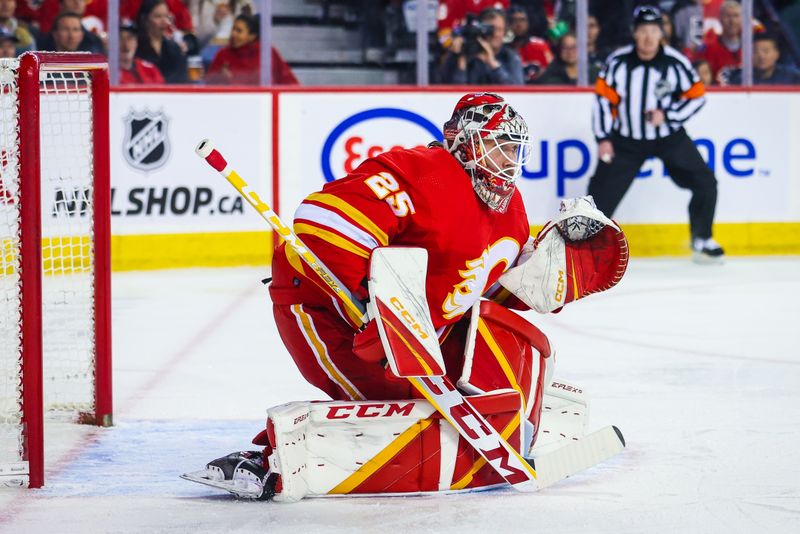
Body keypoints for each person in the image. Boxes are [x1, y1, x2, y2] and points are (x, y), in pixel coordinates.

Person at [188, 92, 628, 500]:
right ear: (463, 142)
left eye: (514, 149)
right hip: (324, 309)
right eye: (497, 146)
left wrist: (542, 276)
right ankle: (268, 460)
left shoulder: (510, 210)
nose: (508, 160)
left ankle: (514, 430)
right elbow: (321, 224)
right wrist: (370, 308)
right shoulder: (420, 173)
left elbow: (481, 294)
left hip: (417, 331)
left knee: (513, 356)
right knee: (403, 397)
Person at [589, 5, 724, 262]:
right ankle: (586, 245)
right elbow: (603, 101)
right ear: (634, 33)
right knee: (600, 194)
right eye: (643, 31)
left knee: (706, 183)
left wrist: (669, 115)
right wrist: (603, 138)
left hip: (669, 139)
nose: (649, 37)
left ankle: (702, 238)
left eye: (654, 30)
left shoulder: (675, 62)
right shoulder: (618, 63)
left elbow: (696, 97)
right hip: (627, 141)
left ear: (661, 33)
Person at [205, 13, 298, 85]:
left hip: (264, 105)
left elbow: (289, 82)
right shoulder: (223, 55)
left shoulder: (267, 52)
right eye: (233, 29)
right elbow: (208, 86)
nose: (233, 34)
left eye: (239, 31)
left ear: (252, 36)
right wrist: (220, 78)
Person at [438, 7, 524, 85]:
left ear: (505, 32)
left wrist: (494, 64)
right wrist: (461, 63)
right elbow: (450, 96)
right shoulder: (461, 53)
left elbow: (518, 94)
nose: (495, 34)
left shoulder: (510, 57)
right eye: (490, 29)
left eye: (499, 29)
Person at [135, 0, 188, 83]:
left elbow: (183, 78)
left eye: (166, 16)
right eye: (158, 16)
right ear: (145, 20)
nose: (164, 22)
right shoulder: (135, 47)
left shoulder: (174, 48)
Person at [727, 33, 800, 85]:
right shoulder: (740, 81)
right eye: (756, 51)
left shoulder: (794, 78)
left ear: (777, 54)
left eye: (766, 51)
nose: (761, 56)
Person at [698, 0, 743, 83]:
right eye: (727, 16)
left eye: (736, 16)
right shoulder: (709, 48)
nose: (732, 21)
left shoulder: (751, 48)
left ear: (742, 19)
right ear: (720, 19)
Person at [37, 0, 104, 53]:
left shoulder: (94, 41)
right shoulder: (41, 42)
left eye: (75, 29)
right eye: (65, 29)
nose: (77, 2)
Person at [508, 5, 553, 83]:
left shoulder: (540, 46)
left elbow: (552, 73)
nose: (518, 24)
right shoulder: (503, 48)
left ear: (528, 22)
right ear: (507, 24)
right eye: (514, 20)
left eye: (522, 20)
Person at [119, 19, 165, 84]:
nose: (125, 44)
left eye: (130, 38)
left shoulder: (150, 70)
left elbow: (161, 92)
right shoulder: (106, 73)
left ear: (136, 43)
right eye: (120, 38)